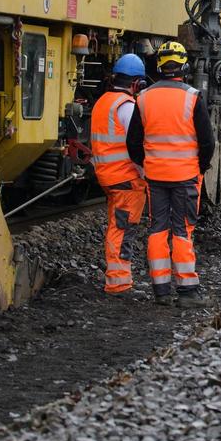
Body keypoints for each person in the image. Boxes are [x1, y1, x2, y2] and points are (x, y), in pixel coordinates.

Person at [127, 41, 214, 308]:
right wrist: (200, 166)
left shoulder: (143, 98)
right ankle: (188, 291)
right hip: (185, 176)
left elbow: (133, 143)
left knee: (156, 228)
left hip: (155, 177)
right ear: (184, 66)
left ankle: (161, 290)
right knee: (182, 230)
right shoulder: (192, 96)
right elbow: (208, 142)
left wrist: (147, 163)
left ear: (160, 66)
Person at [89, 53, 148, 294]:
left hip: (108, 176)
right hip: (126, 180)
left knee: (117, 226)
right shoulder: (127, 107)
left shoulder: (103, 102)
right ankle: (119, 282)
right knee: (122, 231)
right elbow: (135, 146)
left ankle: (119, 279)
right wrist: (146, 174)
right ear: (137, 83)